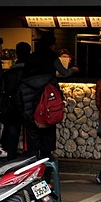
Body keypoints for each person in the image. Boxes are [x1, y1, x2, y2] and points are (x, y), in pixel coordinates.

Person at [20, 31, 78, 162]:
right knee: (47, 145)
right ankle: (46, 177)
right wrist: (73, 70)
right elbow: (64, 72)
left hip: (30, 108)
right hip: (47, 107)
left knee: (32, 148)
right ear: (52, 45)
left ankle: (32, 176)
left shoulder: (31, 58)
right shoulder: (52, 57)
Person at [0, 41, 31, 160]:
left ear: (17, 54)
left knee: (13, 138)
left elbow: (4, 92)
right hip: (29, 108)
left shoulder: (9, 73)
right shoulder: (31, 71)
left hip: (12, 109)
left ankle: (11, 163)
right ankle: (29, 164)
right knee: (30, 139)